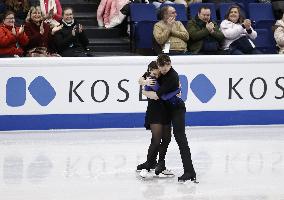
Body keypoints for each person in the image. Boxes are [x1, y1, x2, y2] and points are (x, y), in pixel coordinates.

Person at [142, 54, 197, 183]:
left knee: (180, 138)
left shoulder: (173, 76)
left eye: (167, 65)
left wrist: (176, 90)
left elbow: (162, 96)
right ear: (158, 65)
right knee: (164, 138)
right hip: (166, 111)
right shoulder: (158, 73)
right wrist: (143, 82)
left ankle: (189, 171)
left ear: (170, 64)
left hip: (177, 109)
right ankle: (154, 164)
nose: (164, 68)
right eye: (162, 66)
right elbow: (144, 77)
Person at [137, 60, 180, 177]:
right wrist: (145, 84)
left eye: (157, 74)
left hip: (166, 110)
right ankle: (148, 164)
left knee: (166, 139)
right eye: (153, 73)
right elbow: (158, 95)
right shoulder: (150, 78)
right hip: (155, 111)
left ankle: (160, 164)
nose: (155, 76)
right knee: (156, 140)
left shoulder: (168, 77)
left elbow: (163, 94)